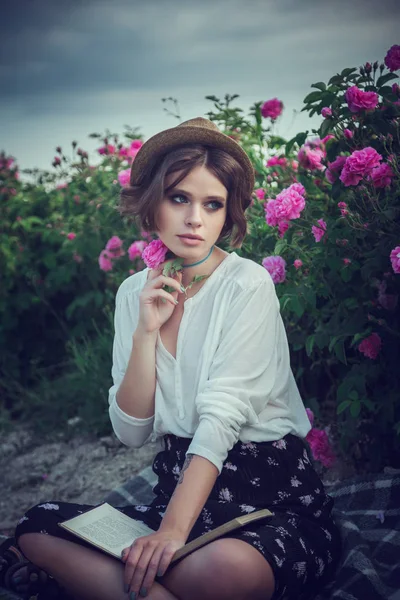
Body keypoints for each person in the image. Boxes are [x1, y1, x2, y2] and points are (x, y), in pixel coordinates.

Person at [2, 117, 341, 600]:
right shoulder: (132, 294)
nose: (195, 219)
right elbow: (132, 432)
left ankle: (129, 582)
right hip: (176, 489)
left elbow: (222, 419)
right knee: (35, 526)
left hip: (267, 496)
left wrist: (170, 535)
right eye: (179, 197)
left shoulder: (247, 285)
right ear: (152, 202)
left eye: (213, 204)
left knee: (219, 572)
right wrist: (145, 334)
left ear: (229, 214)